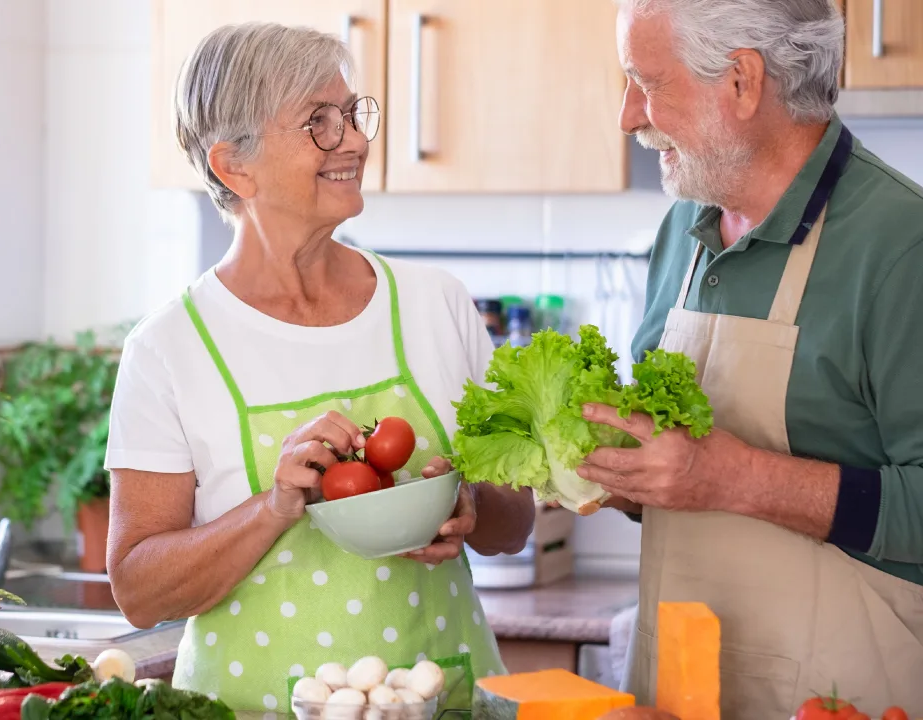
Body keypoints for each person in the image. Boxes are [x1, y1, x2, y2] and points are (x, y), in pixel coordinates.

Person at [103, 22, 535, 714]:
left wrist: (471, 508)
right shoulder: (170, 348)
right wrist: (274, 508)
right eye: (319, 123)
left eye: (353, 113)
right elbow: (139, 587)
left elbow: (515, 527)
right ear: (233, 166)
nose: (357, 141)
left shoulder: (437, 306)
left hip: (443, 700)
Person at [578, 0, 923, 716]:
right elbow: (675, 475)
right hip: (674, 690)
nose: (627, 116)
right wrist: (615, 473)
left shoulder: (902, 246)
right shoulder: (684, 227)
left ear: (742, 81)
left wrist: (734, 478)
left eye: (646, 82)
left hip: (841, 697)